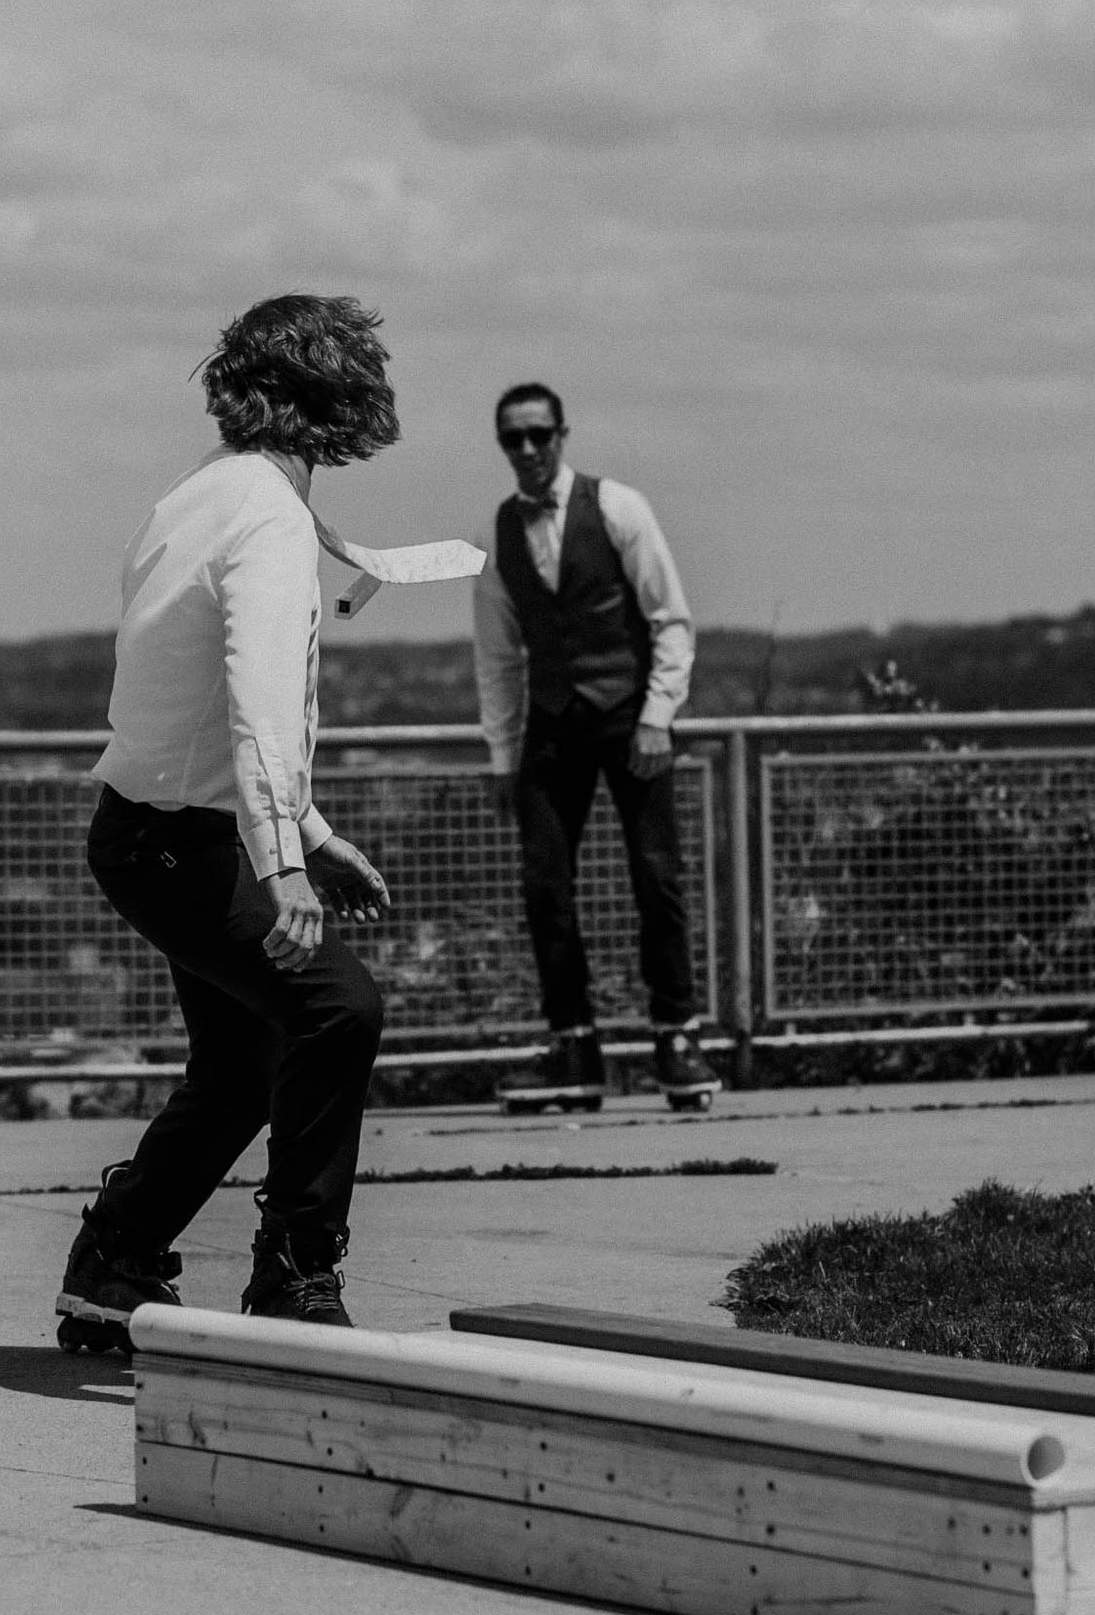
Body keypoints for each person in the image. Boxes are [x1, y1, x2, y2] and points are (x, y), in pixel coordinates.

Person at [62, 294, 397, 1340]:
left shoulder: (197, 496)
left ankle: (112, 1262)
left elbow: (203, 702)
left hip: (154, 830)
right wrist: (284, 865)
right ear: (342, 402)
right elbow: (255, 702)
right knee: (338, 1008)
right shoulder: (265, 516)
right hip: (184, 840)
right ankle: (295, 1278)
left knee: (246, 1056)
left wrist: (305, 830)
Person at [473, 382, 723, 1111]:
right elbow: (495, 655)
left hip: (628, 716)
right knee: (544, 885)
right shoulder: (499, 532)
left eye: (537, 434)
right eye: (511, 439)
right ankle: (573, 1046)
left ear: (562, 434)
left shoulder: (619, 508)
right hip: (551, 724)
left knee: (657, 876)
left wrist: (657, 715)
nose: (526, 450)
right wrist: (501, 755)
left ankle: (676, 1035)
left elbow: (670, 619)